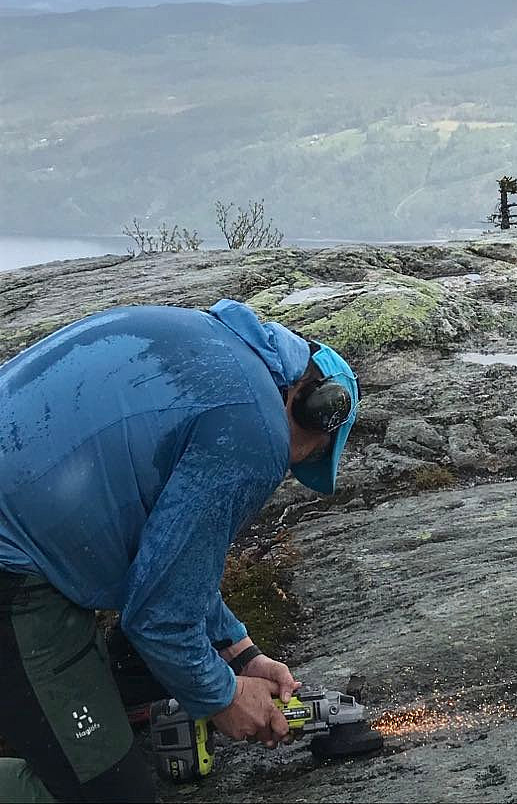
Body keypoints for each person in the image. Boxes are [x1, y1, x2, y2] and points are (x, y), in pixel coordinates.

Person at [0, 298, 359, 803]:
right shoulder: (255, 429)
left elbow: (170, 561)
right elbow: (159, 616)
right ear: (316, 406)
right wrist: (223, 696)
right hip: (14, 567)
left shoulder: (214, 346)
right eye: (307, 458)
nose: (284, 472)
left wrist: (241, 652)